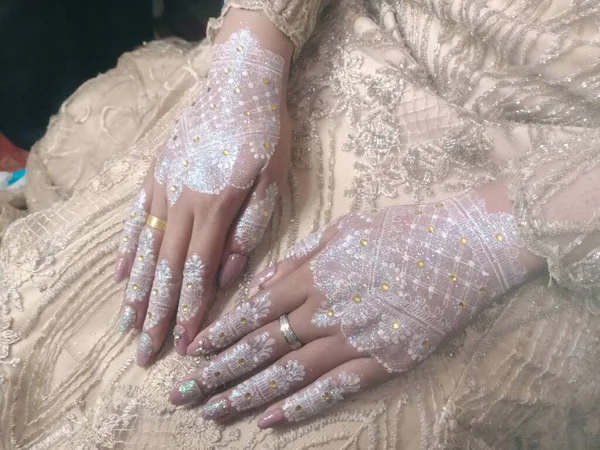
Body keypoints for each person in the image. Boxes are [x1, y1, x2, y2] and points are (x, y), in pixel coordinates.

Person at [1, 0, 599, 448]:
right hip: (346, 45)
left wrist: (483, 238)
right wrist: (246, 63)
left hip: (554, 194)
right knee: (36, 320)